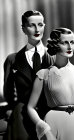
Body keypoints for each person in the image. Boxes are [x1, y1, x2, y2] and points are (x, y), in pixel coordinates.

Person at [27, 27, 74, 140]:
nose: (70, 46)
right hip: (53, 124)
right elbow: (30, 107)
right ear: (55, 45)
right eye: (64, 43)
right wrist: (44, 128)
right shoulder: (44, 74)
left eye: (72, 42)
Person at [3, 10, 55, 140]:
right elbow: (8, 92)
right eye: (32, 25)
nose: (37, 29)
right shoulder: (12, 59)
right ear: (24, 29)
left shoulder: (55, 57)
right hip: (22, 117)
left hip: (49, 115)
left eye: (40, 24)